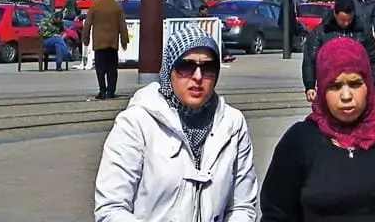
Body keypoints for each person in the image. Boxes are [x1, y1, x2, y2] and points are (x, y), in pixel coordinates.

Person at [262, 37, 375, 222]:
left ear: (368, 84)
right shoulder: (300, 139)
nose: (346, 96)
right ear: (322, 89)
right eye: (334, 86)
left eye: (355, 84)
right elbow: (277, 214)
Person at [94, 26, 258, 222]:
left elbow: (242, 206)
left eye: (208, 67)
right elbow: (110, 209)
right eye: (186, 67)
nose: (197, 77)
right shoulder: (135, 123)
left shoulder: (232, 124)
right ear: (169, 70)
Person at [302, 0, 375, 100]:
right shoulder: (321, 32)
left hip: (357, 84)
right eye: (342, 20)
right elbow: (310, 59)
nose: (346, 23)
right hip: (329, 85)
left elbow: (373, 60)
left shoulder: (363, 32)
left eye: (349, 19)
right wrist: (310, 86)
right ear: (335, 14)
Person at [85, 0, 129, 99]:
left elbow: (87, 24)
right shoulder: (117, 7)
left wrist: (85, 39)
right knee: (112, 69)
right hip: (112, 43)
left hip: (99, 43)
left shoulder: (95, 6)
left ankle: (102, 90)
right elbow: (122, 25)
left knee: (100, 68)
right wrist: (124, 41)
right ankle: (111, 91)